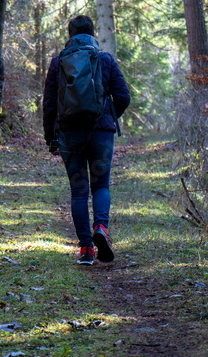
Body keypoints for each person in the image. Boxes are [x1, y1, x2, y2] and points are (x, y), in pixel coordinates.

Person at [43, 15, 131, 265]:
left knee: (79, 192)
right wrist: (108, 117)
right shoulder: (104, 59)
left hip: (69, 135)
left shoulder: (58, 62)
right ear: (93, 34)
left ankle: (86, 250)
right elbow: (123, 96)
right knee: (101, 186)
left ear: (70, 36)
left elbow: (49, 105)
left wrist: (51, 137)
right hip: (100, 134)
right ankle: (101, 228)